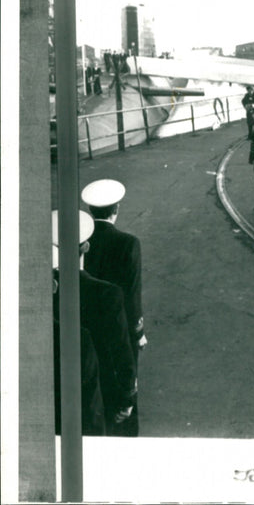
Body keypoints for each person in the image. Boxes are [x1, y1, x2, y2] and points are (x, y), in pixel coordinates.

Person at [52, 210, 137, 436]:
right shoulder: (108, 293)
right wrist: (127, 396)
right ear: (86, 247)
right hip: (102, 389)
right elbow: (121, 349)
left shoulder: (48, 289)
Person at [81, 179, 145, 436]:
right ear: (116, 209)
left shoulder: (83, 241)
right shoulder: (128, 243)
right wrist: (138, 332)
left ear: (90, 210)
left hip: (88, 325)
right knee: (124, 377)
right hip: (119, 325)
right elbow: (132, 295)